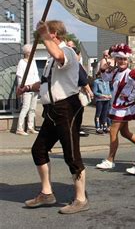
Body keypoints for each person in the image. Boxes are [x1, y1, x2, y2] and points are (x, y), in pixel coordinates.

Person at [17, 20, 89, 214]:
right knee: (38, 150)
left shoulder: (67, 52)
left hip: (67, 108)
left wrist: (44, 34)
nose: (42, 38)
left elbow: (58, 55)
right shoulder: (51, 58)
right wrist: (27, 88)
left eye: (47, 35)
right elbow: (46, 82)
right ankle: (47, 193)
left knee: (71, 155)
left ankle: (81, 199)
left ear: (55, 34)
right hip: (51, 110)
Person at [96, 43, 135, 170]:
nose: (122, 61)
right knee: (125, 133)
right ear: (116, 59)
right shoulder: (116, 71)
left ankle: (110, 160)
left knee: (113, 131)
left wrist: (129, 97)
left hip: (123, 107)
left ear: (127, 60)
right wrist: (103, 69)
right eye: (120, 59)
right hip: (118, 105)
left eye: (124, 59)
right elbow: (105, 78)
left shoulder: (131, 73)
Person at [15, 44, 40, 135]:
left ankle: (30, 127)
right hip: (26, 88)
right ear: (28, 53)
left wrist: (38, 86)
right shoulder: (22, 62)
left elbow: (36, 74)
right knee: (25, 107)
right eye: (33, 51)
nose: (35, 53)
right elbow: (19, 77)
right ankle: (19, 128)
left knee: (33, 108)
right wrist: (21, 89)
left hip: (34, 88)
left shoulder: (33, 61)